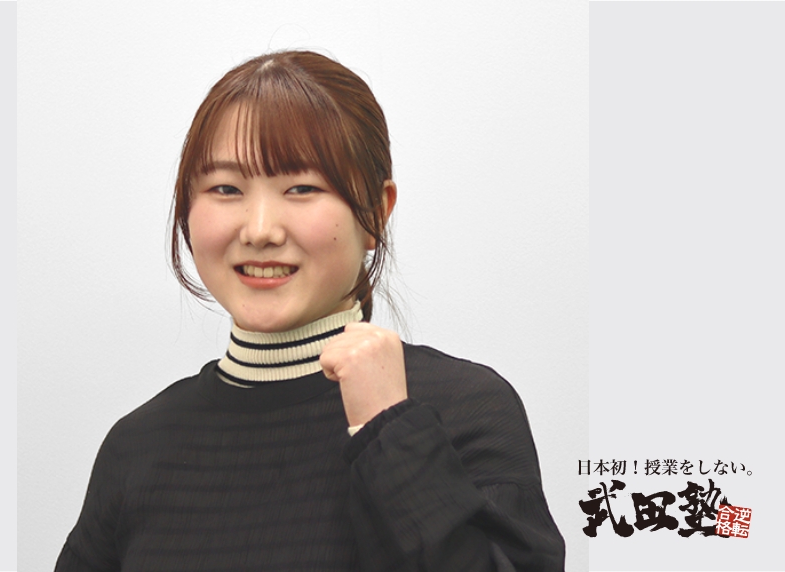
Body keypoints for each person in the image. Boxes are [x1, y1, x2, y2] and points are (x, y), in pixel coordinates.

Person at [55, 50, 565, 571]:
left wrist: (388, 430)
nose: (259, 230)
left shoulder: (466, 409)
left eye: (301, 189)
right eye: (226, 189)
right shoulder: (137, 446)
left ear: (376, 213)